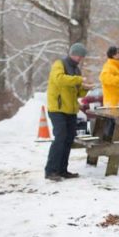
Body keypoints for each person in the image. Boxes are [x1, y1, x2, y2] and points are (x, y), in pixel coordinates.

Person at [44, 43, 94, 181]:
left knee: (68, 139)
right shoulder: (59, 64)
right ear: (73, 53)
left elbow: (77, 91)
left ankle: (62, 170)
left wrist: (86, 88)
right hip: (58, 109)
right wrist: (79, 80)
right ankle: (51, 171)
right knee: (60, 138)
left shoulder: (76, 70)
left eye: (82, 56)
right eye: (79, 55)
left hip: (71, 109)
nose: (80, 58)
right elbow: (59, 80)